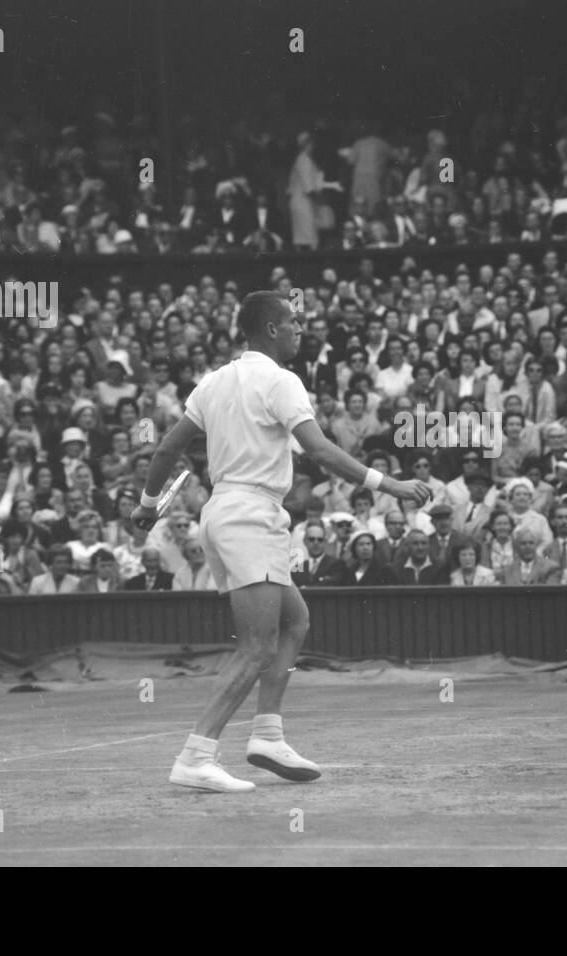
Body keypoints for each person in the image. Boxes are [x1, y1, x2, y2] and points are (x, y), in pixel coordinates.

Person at [130, 291, 429, 794]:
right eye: (292, 321)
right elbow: (320, 451)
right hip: (250, 516)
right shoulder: (281, 380)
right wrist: (390, 485)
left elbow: (167, 447)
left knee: (295, 620)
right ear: (270, 329)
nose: (298, 328)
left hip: (225, 513)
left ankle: (267, 734)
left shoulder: (212, 382)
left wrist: (145, 502)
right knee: (257, 646)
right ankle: (196, 754)